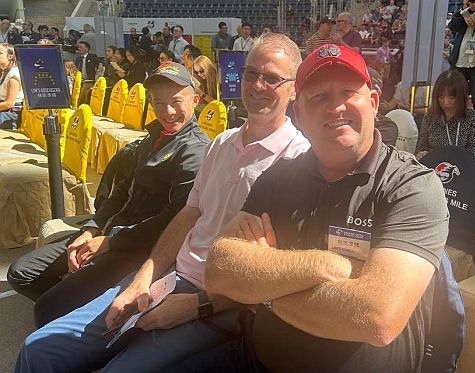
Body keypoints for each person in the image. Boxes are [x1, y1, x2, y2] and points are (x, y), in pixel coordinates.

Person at [15, 33, 310, 373]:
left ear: (293, 89)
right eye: (251, 74)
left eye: (272, 78)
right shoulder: (222, 144)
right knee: (38, 349)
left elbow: (274, 275)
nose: (258, 85)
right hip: (167, 280)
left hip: (218, 305)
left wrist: (199, 305)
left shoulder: (298, 163)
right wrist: (142, 280)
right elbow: (188, 215)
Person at [197, 43, 455, 372]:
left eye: (349, 92)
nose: (336, 107)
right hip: (255, 360)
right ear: (299, 115)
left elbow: (375, 317)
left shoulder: (412, 186)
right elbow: (219, 270)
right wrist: (328, 266)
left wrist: (263, 285)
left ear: (374, 103)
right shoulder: (280, 176)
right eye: (318, 97)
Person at [8, 61, 209, 331]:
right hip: (108, 230)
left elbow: (173, 220)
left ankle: (73, 316)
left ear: (195, 100)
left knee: (47, 309)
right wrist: (92, 228)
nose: (168, 111)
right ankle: (77, 308)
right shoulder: (154, 136)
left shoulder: (195, 150)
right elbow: (123, 188)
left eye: (176, 102)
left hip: (136, 247)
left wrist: (110, 242)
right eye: (158, 103)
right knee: (22, 273)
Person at [416, 70, 475, 159]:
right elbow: (421, 146)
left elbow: (472, 153)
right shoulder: (430, 116)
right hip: (433, 166)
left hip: (460, 167)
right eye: (441, 97)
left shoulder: (472, 117)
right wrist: (421, 154)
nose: (446, 102)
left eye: (451, 97)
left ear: (460, 96)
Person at [0, 43, 23, 129]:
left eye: (0, 53)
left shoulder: (13, 75)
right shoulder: (3, 71)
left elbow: (9, 103)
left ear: (10, 57)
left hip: (10, 113)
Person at [75, 40, 99, 105]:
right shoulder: (78, 59)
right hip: (80, 80)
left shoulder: (92, 56)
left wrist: (101, 64)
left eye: (81, 47)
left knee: (86, 86)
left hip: (90, 81)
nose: (79, 49)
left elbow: (100, 62)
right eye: (78, 47)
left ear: (87, 49)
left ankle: (77, 104)